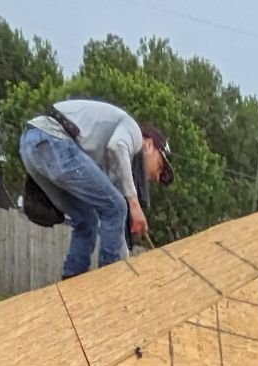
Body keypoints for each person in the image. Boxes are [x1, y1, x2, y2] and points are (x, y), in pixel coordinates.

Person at [19, 99, 171, 279]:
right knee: (116, 206)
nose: (157, 176)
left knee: (87, 219)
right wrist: (134, 205)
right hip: (52, 139)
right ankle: (108, 281)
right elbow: (117, 146)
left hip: (31, 145)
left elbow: (116, 229)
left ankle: (72, 281)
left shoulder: (111, 167)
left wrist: (126, 267)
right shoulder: (134, 132)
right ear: (149, 145)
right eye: (160, 166)